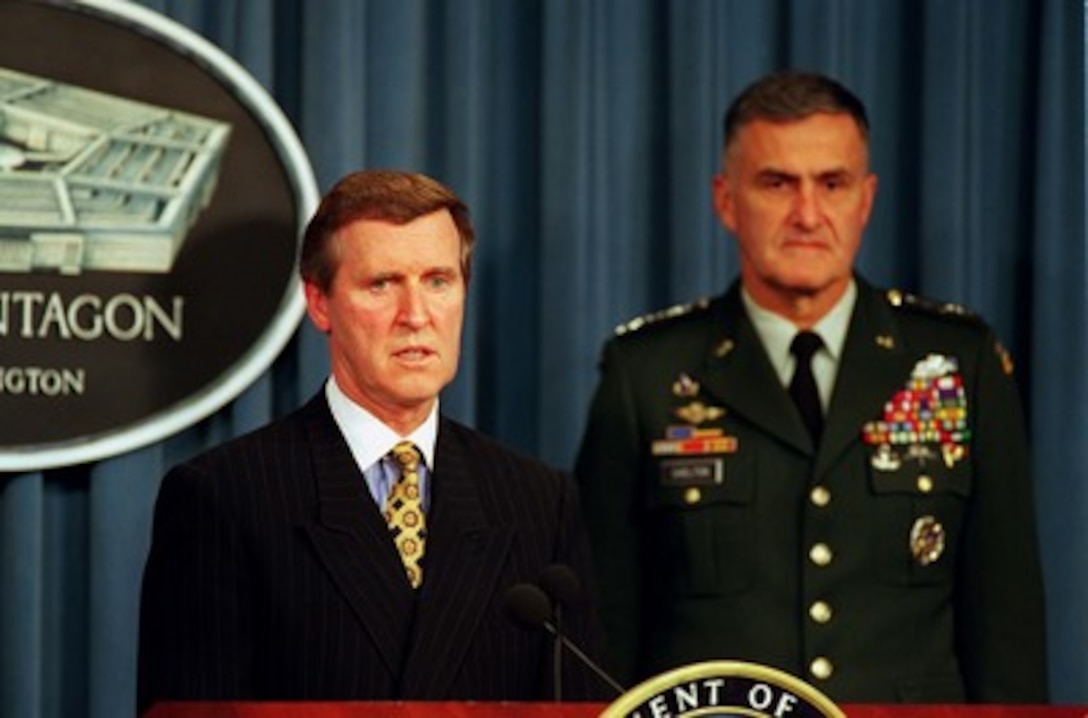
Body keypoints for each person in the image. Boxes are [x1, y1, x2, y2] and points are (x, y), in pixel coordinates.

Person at [574, 70, 1047, 704]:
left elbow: (1006, 629)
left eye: (833, 183)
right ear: (725, 200)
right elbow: (604, 635)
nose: (807, 214)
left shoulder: (958, 363)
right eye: (777, 183)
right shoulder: (647, 374)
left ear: (867, 199)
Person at [138, 169, 607, 714]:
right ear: (319, 303)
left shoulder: (537, 501)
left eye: (438, 281)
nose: (416, 315)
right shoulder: (225, 497)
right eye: (382, 284)